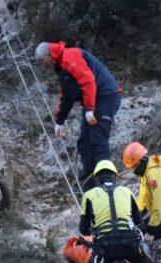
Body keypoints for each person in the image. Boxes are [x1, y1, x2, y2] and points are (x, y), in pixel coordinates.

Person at [34, 41, 123, 191]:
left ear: (49, 55)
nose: (44, 66)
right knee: (84, 142)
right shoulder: (61, 66)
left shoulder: (70, 56)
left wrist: (89, 109)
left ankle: (106, 182)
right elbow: (67, 94)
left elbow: (88, 81)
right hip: (95, 100)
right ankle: (90, 183)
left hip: (105, 96)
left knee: (97, 139)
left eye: (43, 62)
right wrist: (60, 121)